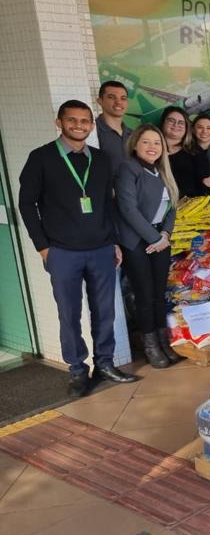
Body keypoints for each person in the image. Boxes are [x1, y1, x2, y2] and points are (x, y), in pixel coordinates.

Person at [18, 100, 137, 397]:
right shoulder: (41, 158)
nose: (79, 125)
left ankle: (105, 364)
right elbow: (26, 204)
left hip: (100, 249)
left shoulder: (100, 160)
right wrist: (43, 247)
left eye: (84, 121)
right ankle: (77, 371)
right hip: (62, 252)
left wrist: (113, 241)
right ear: (58, 122)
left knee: (105, 311)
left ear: (91, 124)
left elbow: (107, 204)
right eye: (72, 120)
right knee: (69, 314)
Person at [116, 125, 182, 368]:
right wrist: (155, 239)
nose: (152, 147)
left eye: (157, 142)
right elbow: (127, 209)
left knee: (158, 293)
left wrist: (164, 234)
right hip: (137, 241)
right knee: (144, 294)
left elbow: (172, 207)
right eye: (146, 142)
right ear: (135, 144)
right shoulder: (128, 169)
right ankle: (150, 345)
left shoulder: (162, 170)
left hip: (159, 238)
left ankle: (163, 340)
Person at [160, 106, 209, 197]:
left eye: (181, 123)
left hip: (188, 207)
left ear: (186, 128)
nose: (176, 125)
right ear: (163, 123)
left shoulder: (195, 151)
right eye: (171, 121)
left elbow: (204, 184)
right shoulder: (152, 150)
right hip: (157, 206)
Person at [95, 80, 133, 166]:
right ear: (100, 101)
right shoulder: (92, 131)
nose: (118, 102)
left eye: (123, 98)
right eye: (111, 97)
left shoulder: (134, 134)